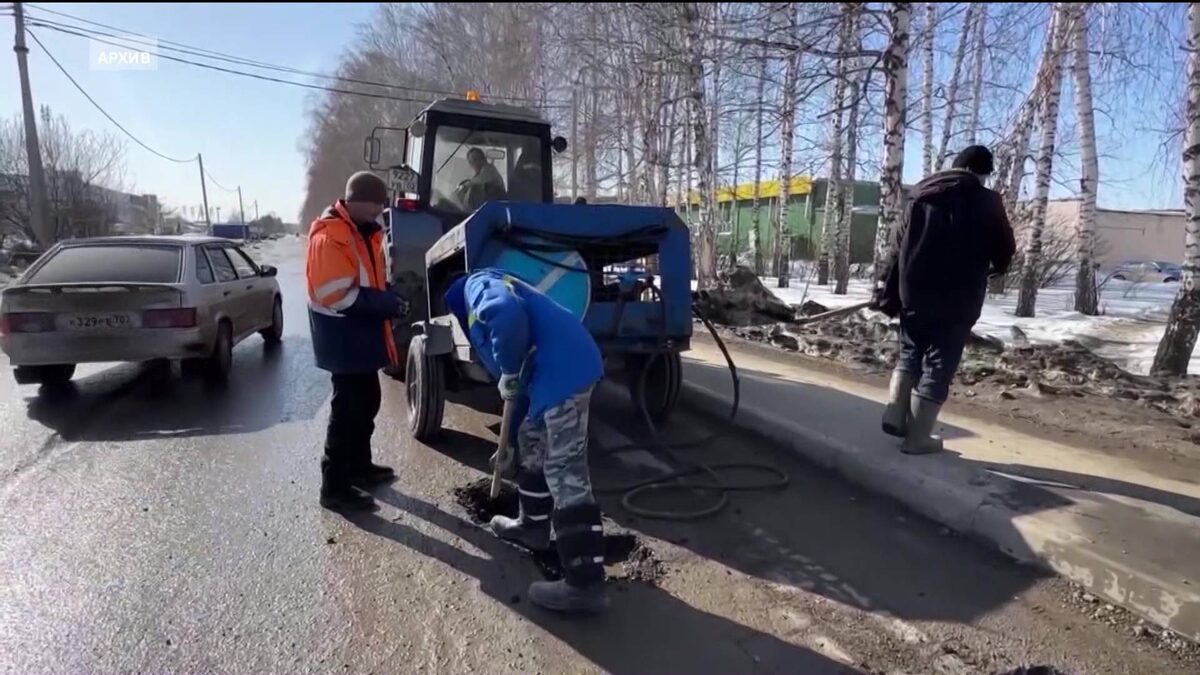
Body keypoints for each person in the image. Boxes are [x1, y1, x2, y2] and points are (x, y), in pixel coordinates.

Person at [444, 267, 607, 613]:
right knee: (531, 442)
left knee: (565, 469)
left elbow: (505, 313)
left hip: (565, 372)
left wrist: (506, 368)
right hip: (552, 375)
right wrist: (507, 448)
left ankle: (585, 583)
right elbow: (516, 397)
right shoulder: (498, 282)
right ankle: (532, 527)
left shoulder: (478, 285)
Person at [872, 145, 1016, 455]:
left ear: (956, 166)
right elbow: (1005, 249)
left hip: (914, 290)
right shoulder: (987, 201)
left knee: (910, 351)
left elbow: (896, 245)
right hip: (957, 297)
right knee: (939, 360)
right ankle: (918, 438)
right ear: (982, 173)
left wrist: (885, 283)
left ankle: (895, 413)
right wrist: (997, 268)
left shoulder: (920, 194)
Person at [306, 171, 409, 511]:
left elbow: (370, 280)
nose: (382, 209)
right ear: (361, 200)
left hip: (360, 334)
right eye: (378, 202)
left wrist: (390, 295)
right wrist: (387, 304)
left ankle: (359, 467)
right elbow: (335, 295)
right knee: (347, 410)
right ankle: (334, 486)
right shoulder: (332, 236)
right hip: (342, 337)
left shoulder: (363, 231)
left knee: (367, 402)